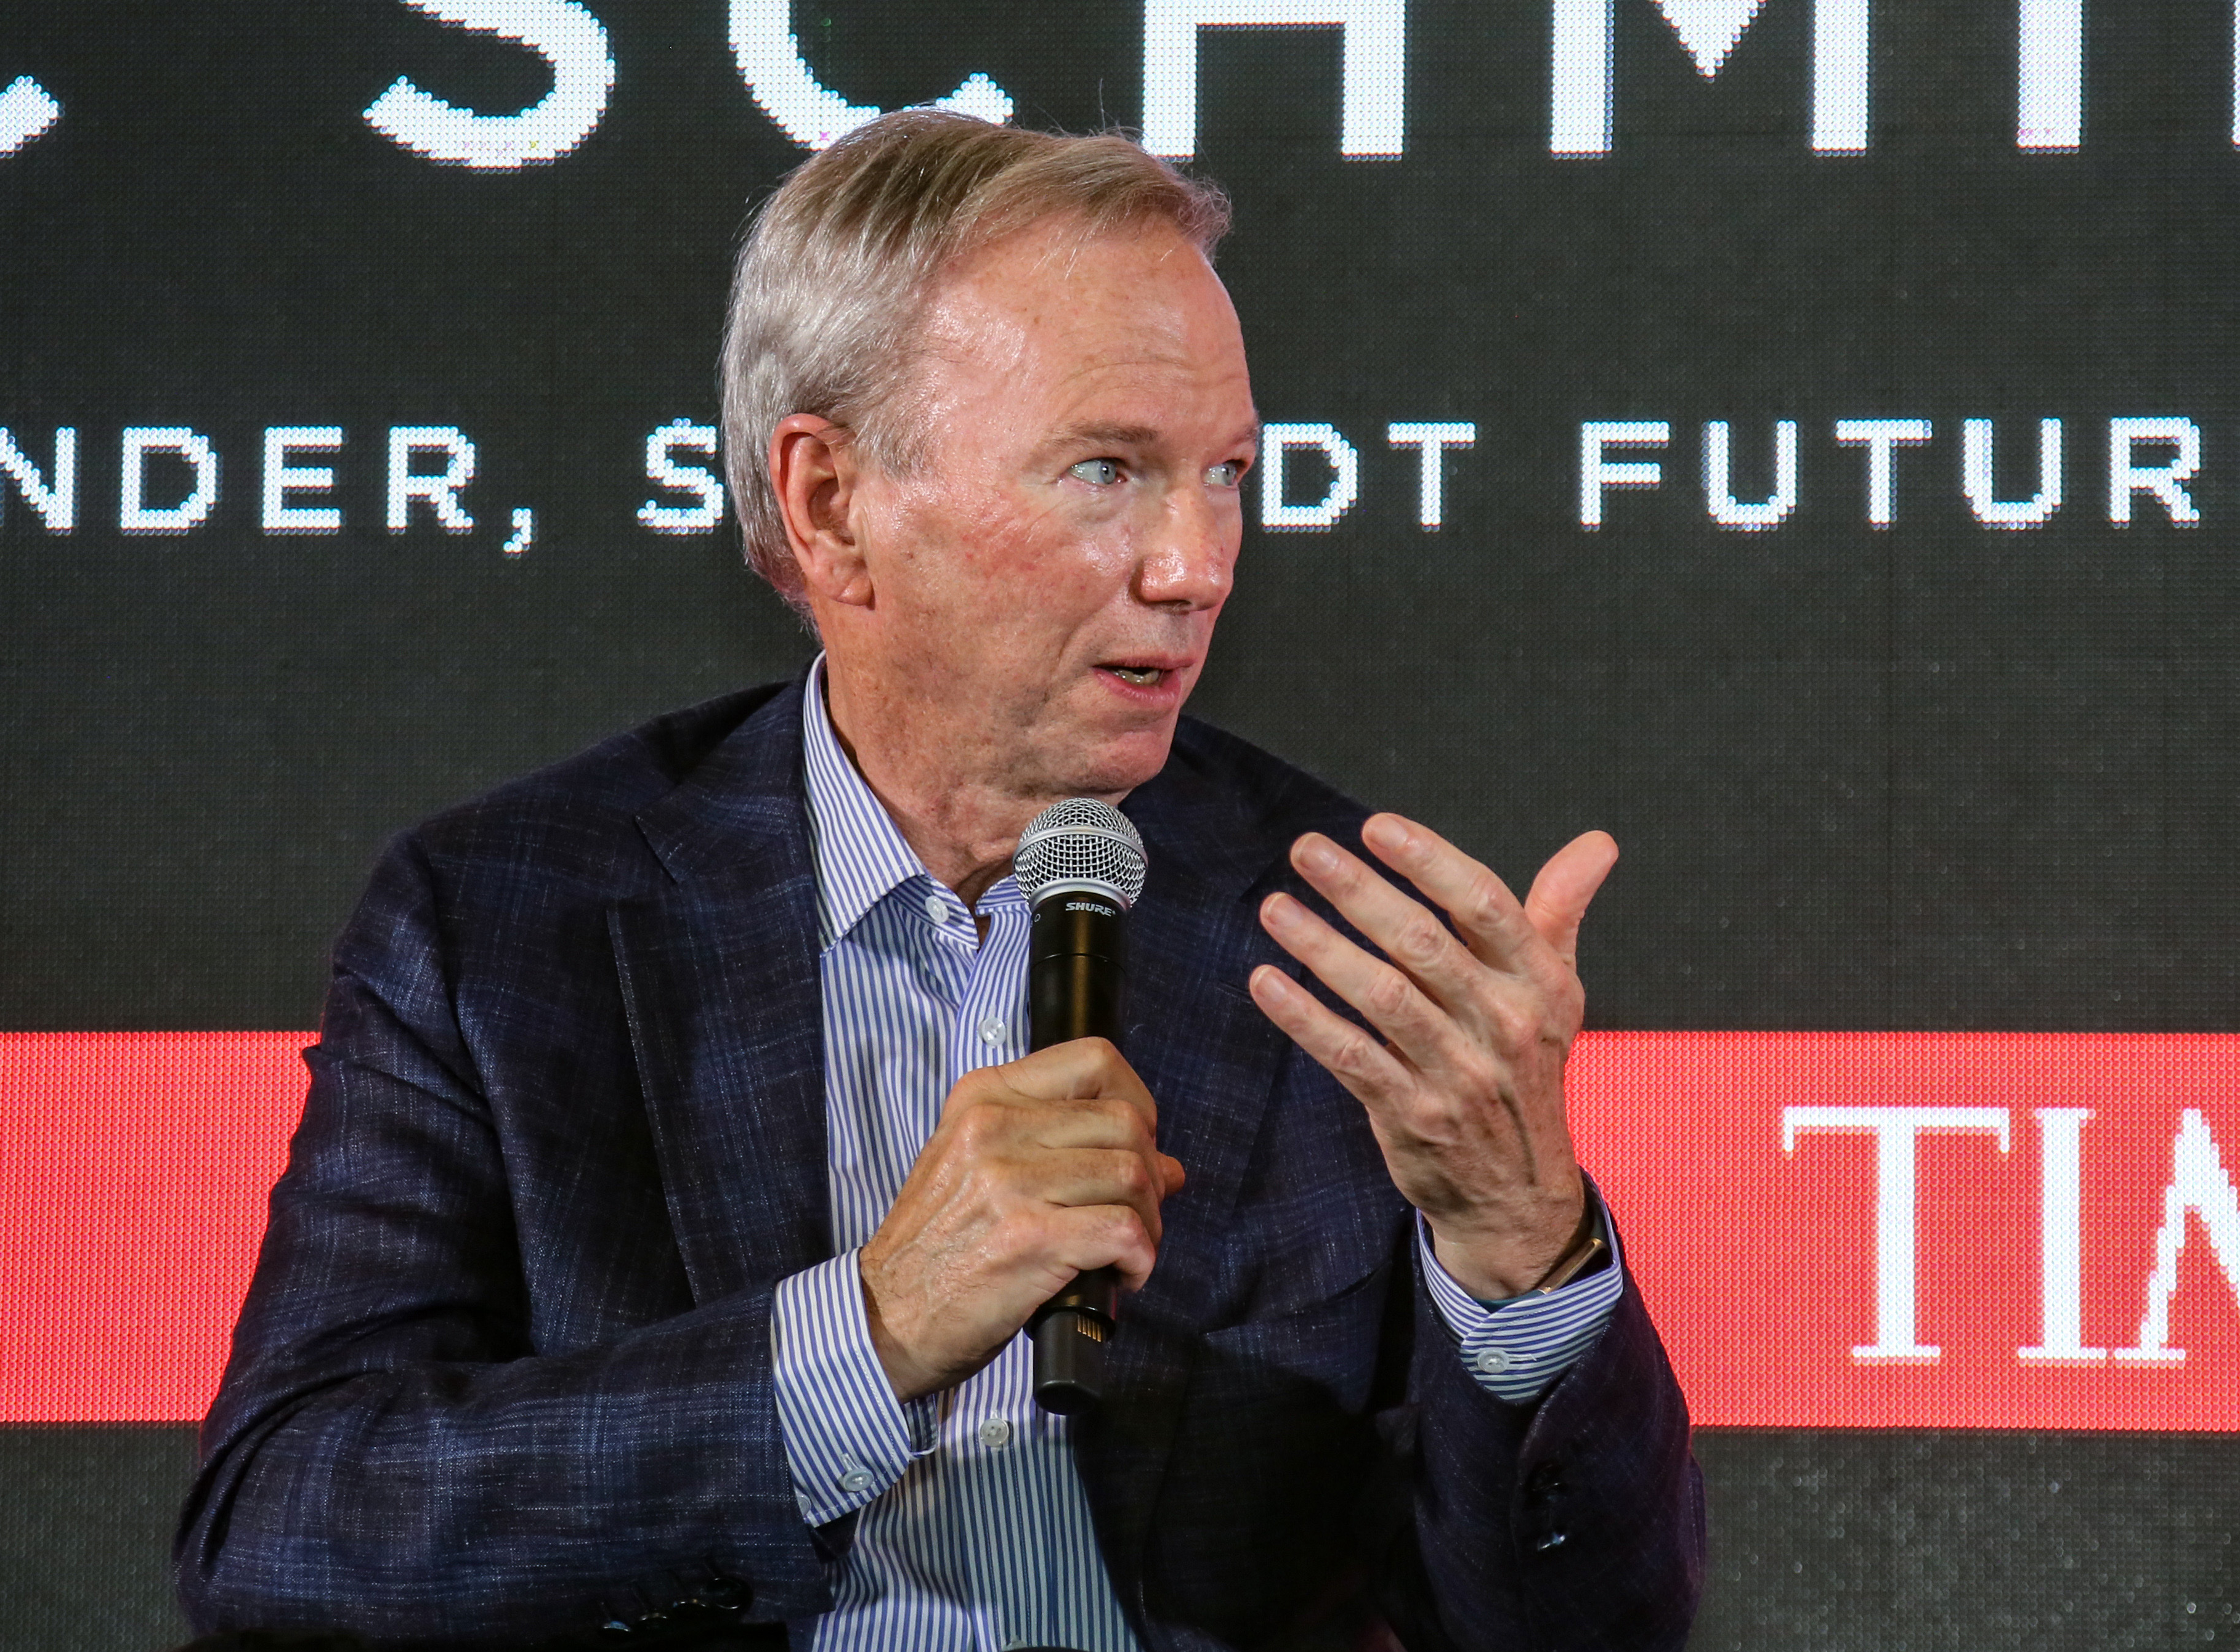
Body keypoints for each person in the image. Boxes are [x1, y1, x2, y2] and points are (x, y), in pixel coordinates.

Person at [177, 111, 1702, 1651]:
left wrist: (1522, 1258)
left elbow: (1589, 1629)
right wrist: (871, 1328)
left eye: (1226, 473)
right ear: (832, 504)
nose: (1196, 563)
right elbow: (288, 1529)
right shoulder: (508, 922)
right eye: (1107, 470)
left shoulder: (1337, 951)